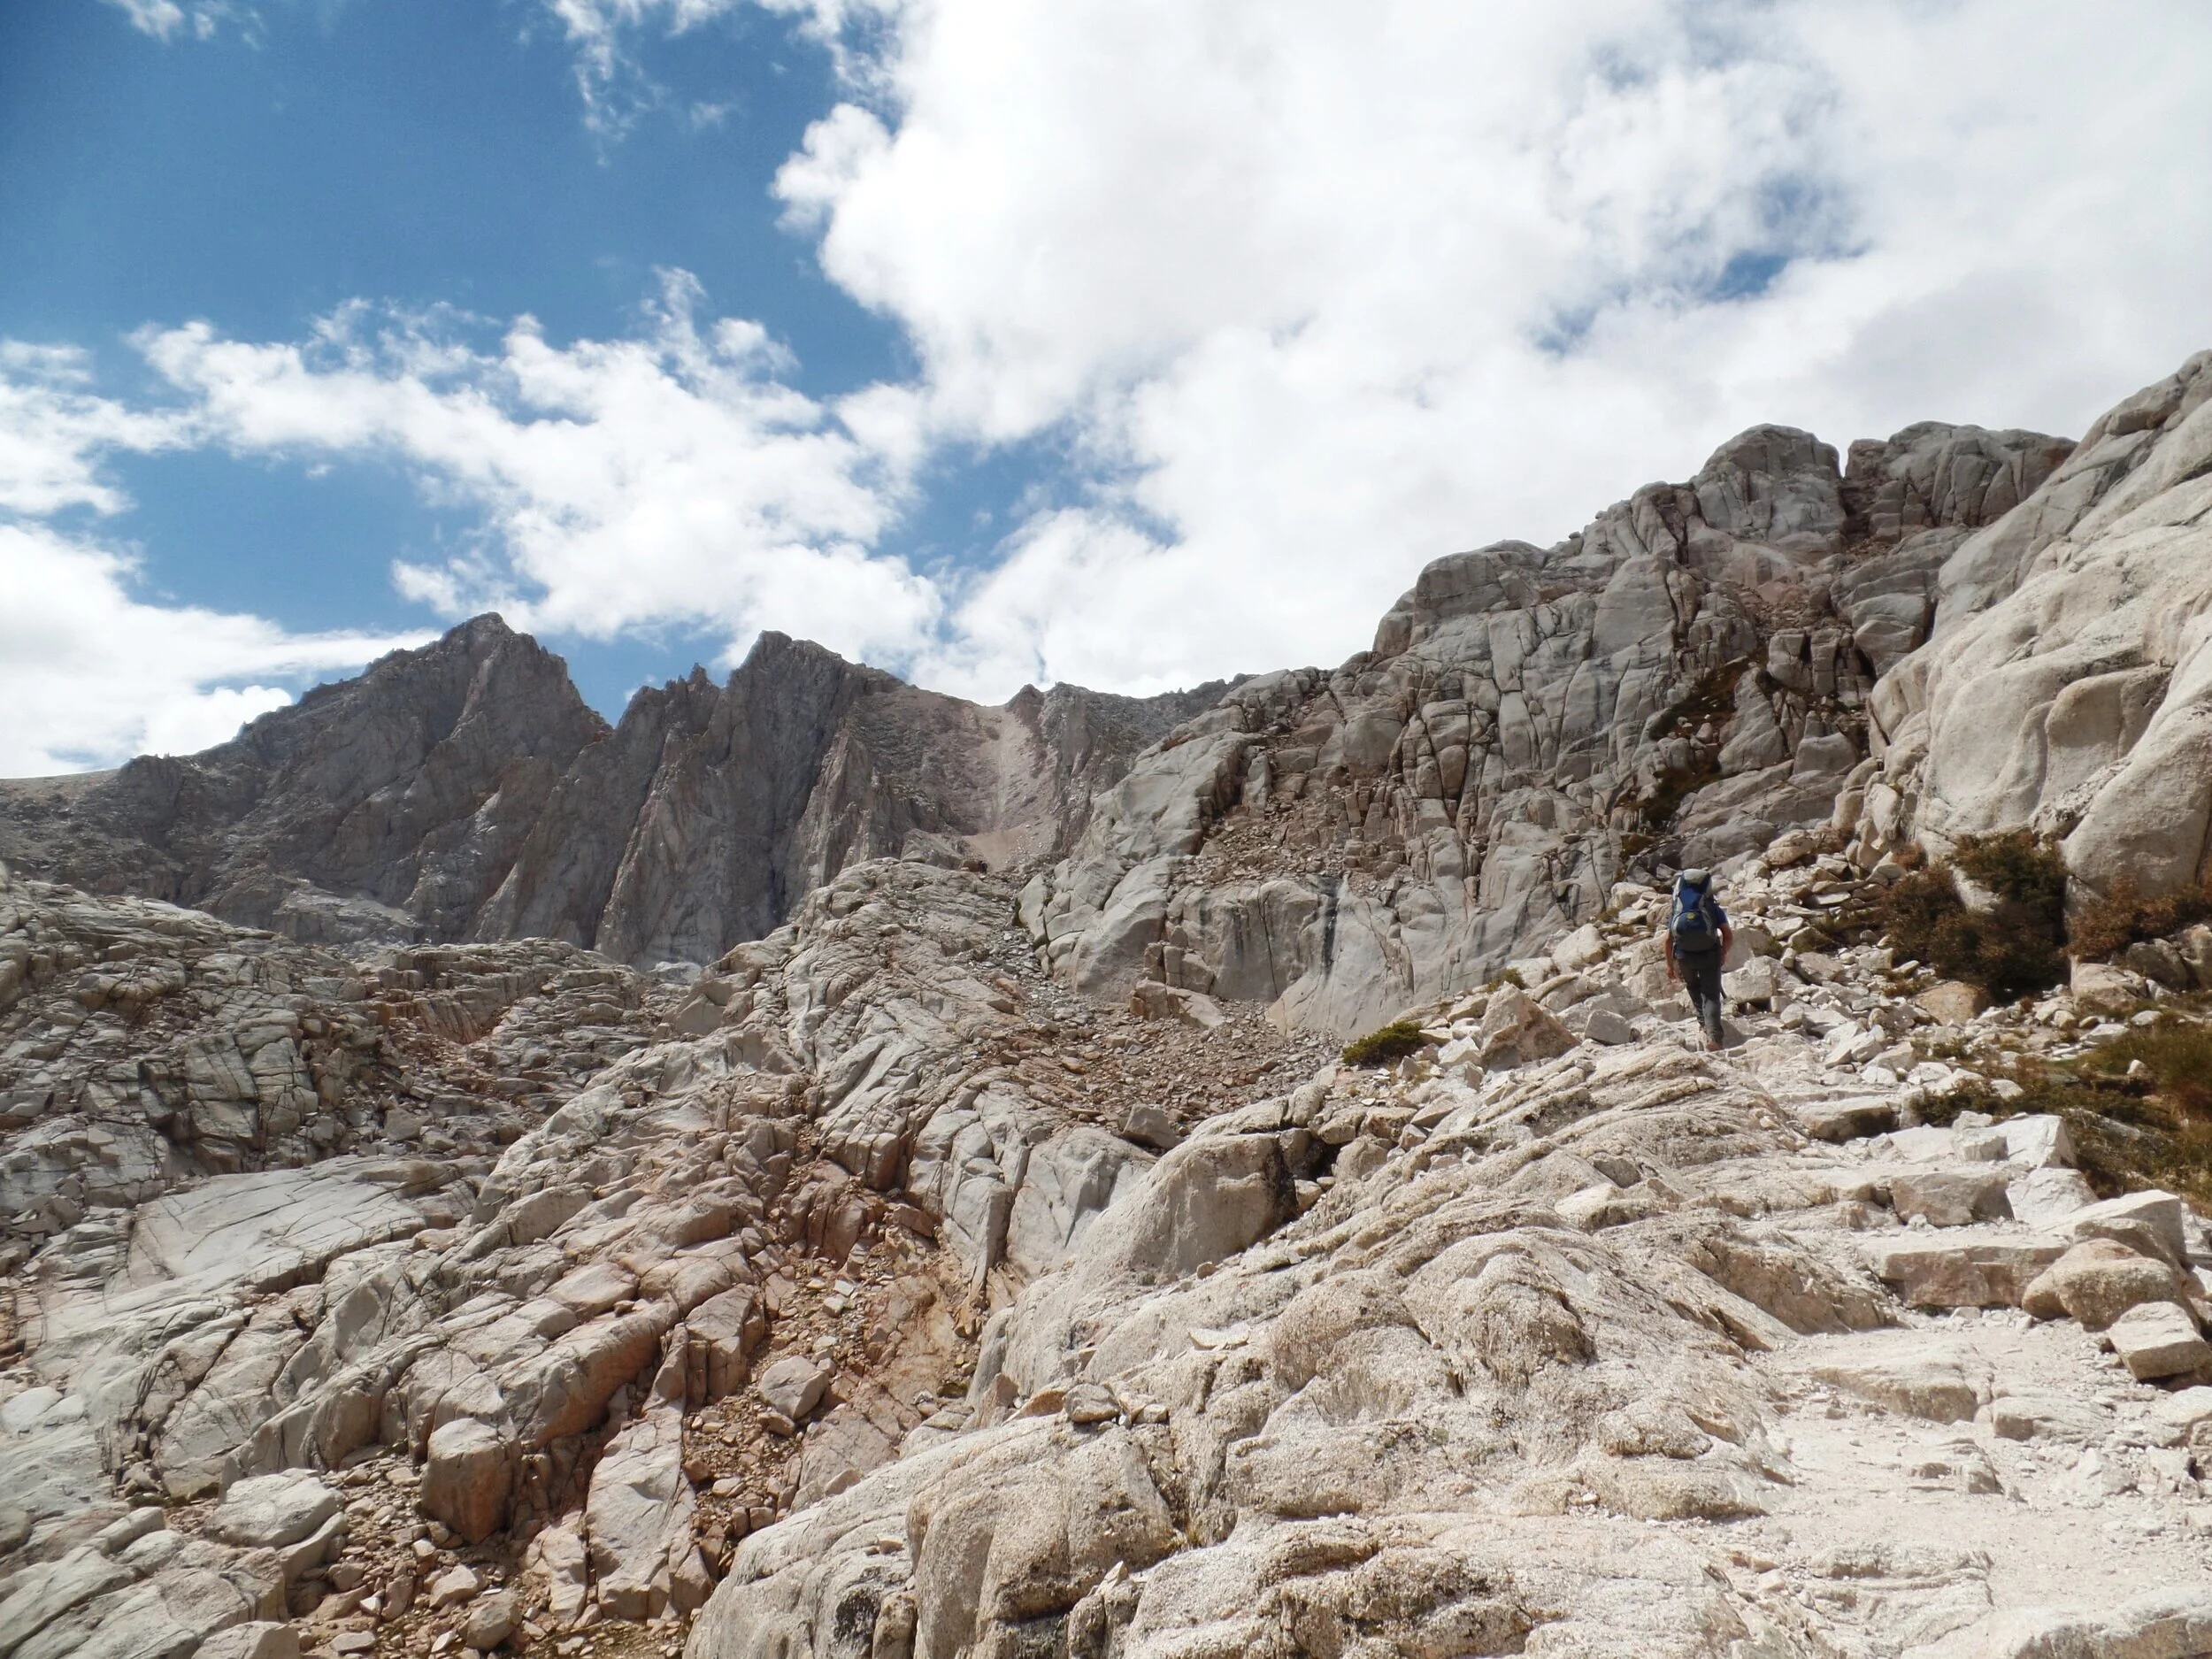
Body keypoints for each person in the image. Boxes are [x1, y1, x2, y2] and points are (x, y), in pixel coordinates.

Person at [1663, 867, 1733, 1050]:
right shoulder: (1711, 906)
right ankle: (1714, 1038)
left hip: (1684, 956)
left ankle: (1703, 1022)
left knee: (1693, 986)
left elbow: (1668, 939)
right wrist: (1724, 952)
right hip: (1710, 954)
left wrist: (1670, 966)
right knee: (1711, 995)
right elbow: (1727, 933)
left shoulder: (1677, 907)